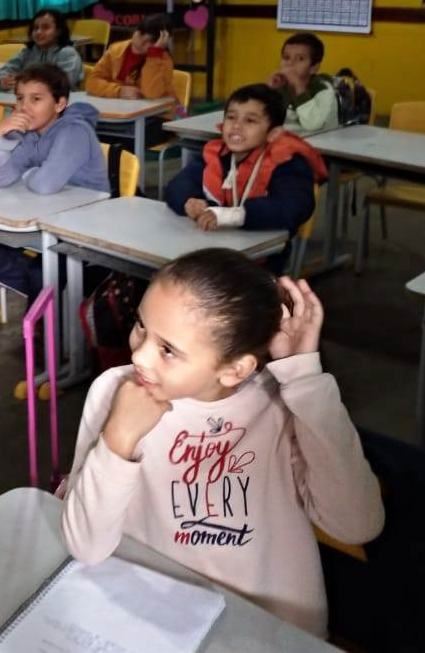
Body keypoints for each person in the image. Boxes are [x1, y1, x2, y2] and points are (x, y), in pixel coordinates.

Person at [58, 249, 384, 638]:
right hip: (155, 622)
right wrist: (118, 440)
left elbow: (357, 525)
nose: (139, 354)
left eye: (168, 350)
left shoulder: (284, 402)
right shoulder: (114, 391)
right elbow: (86, 546)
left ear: (235, 369)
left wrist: (305, 378)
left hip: (269, 633)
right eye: (141, 326)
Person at [0, 63, 108, 301]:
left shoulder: (75, 132)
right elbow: (2, 179)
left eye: (36, 99)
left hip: (84, 229)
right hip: (47, 219)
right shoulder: (30, 134)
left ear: (60, 104)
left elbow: (44, 184)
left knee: (41, 274)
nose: (24, 107)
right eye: (20, 98)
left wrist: (29, 173)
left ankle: (50, 309)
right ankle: (47, 302)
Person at [163, 83, 326, 273]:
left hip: (263, 261)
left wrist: (234, 215)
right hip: (213, 250)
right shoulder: (217, 154)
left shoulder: (287, 163)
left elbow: (294, 206)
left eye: (250, 120)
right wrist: (190, 200)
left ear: (274, 133)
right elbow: (178, 184)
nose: (237, 126)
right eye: (231, 117)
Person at [87, 14, 176, 148]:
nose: (140, 43)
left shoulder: (163, 60)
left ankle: (124, 167)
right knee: (89, 133)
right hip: (120, 116)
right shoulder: (116, 50)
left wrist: (154, 54)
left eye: (148, 42)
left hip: (157, 118)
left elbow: (151, 93)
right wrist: (118, 91)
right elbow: (92, 82)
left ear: (159, 44)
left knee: (123, 143)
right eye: (139, 35)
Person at [0, 8, 84, 91]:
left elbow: (64, 84)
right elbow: (0, 75)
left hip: (61, 104)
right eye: (35, 28)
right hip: (30, 101)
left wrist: (25, 81)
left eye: (45, 27)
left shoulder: (68, 53)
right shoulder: (26, 52)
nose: (39, 32)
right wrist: (2, 81)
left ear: (58, 31)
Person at [268, 32, 339, 134]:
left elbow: (312, 125)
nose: (290, 63)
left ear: (313, 68)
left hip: (322, 144)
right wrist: (268, 91)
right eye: (286, 57)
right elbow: (264, 120)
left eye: (300, 59)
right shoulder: (281, 85)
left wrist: (298, 86)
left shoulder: (323, 90)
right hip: (290, 142)